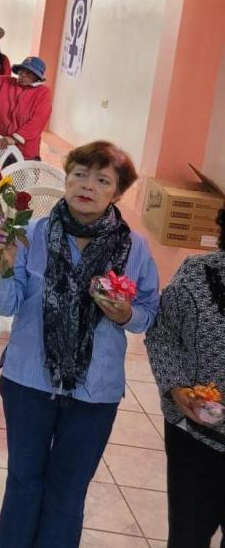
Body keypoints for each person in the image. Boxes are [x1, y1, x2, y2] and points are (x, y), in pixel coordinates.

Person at [0, 141, 159, 547]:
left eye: (102, 180)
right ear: (65, 179)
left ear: (117, 193)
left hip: (94, 389)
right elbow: (3, 305)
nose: (87, 186)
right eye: (79, 174)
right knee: (24, 480)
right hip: (29, 379)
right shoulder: (32, 233)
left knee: (68, 491)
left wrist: (125, 314)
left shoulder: (134, 248)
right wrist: (3, 267)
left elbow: (149, 310)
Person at [145, 210, 225, 548]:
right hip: (197, 438)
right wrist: (176, 388)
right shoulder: (198, 276)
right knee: (188, 538)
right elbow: (163, 334)